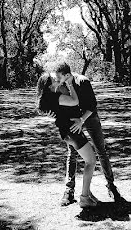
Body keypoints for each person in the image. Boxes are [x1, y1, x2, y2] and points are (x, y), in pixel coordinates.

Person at [51, 62, 124, 206]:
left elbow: (92, 105)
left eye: (59, 77)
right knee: (72, 153)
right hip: (73, 121)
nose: (57, 80)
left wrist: (81, 120)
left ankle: (111, 185)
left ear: (67, 75)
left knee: (100, 150)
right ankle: (69, 190)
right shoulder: (61, 86)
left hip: (89, 117)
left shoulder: (82, 81)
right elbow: (57, 105)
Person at [36, 71, 101, 208]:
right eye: (54, 79)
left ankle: (87, 194)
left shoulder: (51, 96)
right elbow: (75, 101)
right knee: (91, 161)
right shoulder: (56, 97)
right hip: (72, 132)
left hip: (67, 133)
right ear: (50, 85)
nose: (57, 78)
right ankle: (84, 198)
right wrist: (70, 84)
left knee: (87, 159)